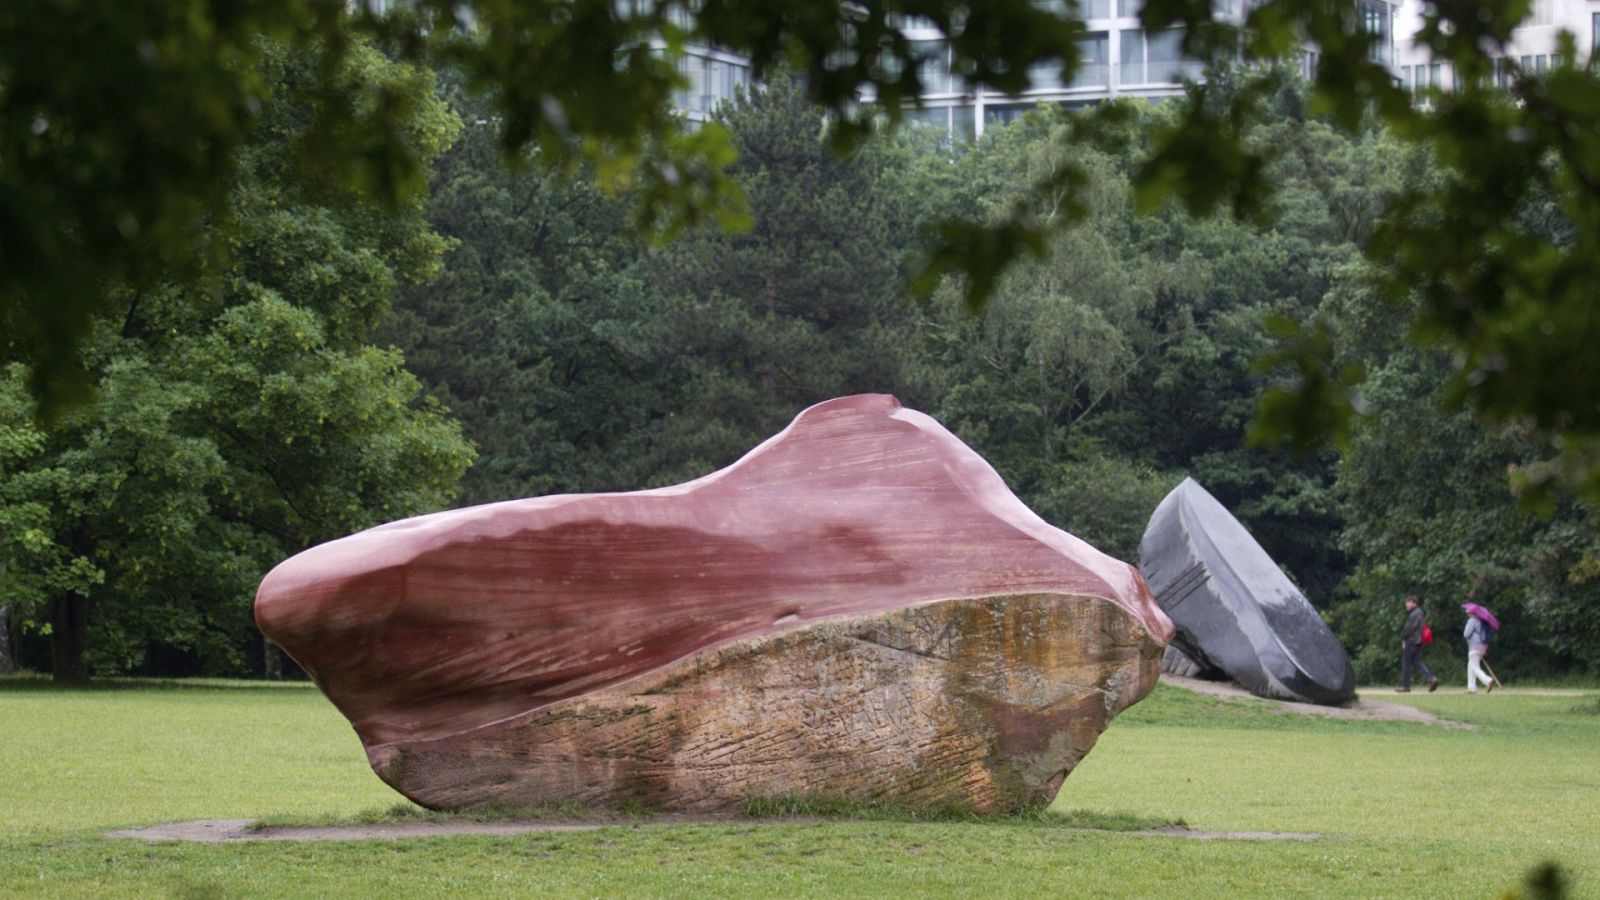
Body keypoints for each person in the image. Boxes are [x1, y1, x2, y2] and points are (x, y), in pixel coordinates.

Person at [1398, 595, 1439, 693]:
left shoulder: (1415, 614)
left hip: (1412, 641)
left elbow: (1409, 628)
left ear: (1413, 603)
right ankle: (1431, 679)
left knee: (1406, 662)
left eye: (1408, 603)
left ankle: (1406, 686)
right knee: (1417, 662)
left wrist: (1403, 636)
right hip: (1419, 641)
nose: (1406, 605)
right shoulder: (1419, 612)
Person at [1463, 610, 1494, 694]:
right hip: (1483, 647)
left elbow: (1466, 634)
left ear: (1472, 613)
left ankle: (1488, 680)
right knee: (1471, 665)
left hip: (1474, 646)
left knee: (1474, 667)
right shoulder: (1482, 622)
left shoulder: (1472, 621)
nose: (1467, 614)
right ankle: (1471, 687)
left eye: (1469, 612)